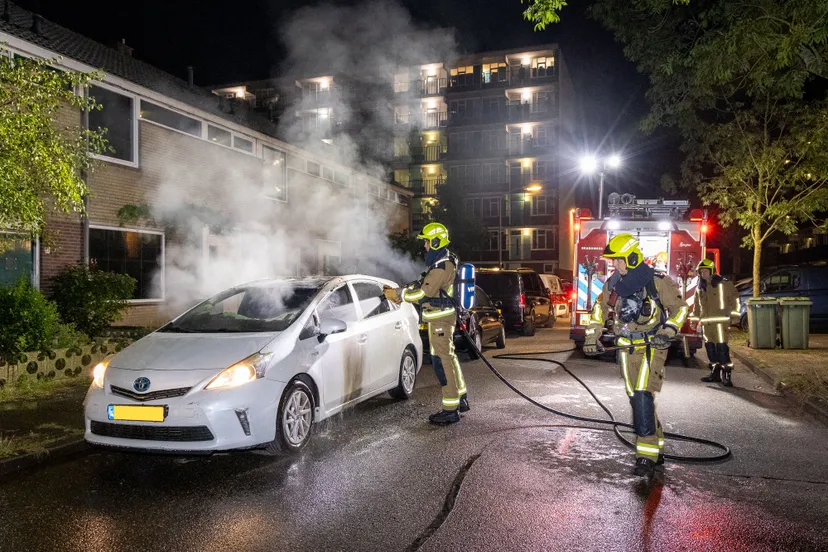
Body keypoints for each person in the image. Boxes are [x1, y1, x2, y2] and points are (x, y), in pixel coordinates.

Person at [583, 234, 689, 477]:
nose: (616, 265)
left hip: (652, 345)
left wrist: (669, 329)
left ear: (632, 258)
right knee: (638, 397)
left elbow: (680, 309)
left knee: (642, 395)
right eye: (613, 261)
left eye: (619, 260)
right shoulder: (614, 284)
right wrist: (592, 335)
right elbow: (600, 309)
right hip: (624, 348)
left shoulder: (657, 282)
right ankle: (657, 446)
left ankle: (646, 456)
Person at [384, 223, 468, 425]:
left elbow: (423, 294)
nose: (425, 246)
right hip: (442, 318)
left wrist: (397, 295)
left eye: (427, 242)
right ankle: (461, 398)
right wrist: (405, 290)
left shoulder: (440, 267)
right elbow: (424, 284)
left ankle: (450, 409)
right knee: (450, 358)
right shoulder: (444, 261)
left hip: (440, 320)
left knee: (442, 361)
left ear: (437, 241)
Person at [691, 259, 741, 387]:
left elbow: (735, 299)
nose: (703, 273)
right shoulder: (700, 288)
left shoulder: (724, 284)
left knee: (722, 349)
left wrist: (735, 316)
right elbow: (697, 307)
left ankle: (727, 375)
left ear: (712, 271)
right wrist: (694, 321)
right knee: (710, 350)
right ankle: (715, 373)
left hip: (720, 324)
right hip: (707, 325)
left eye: (706, 271)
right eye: (701, 271)